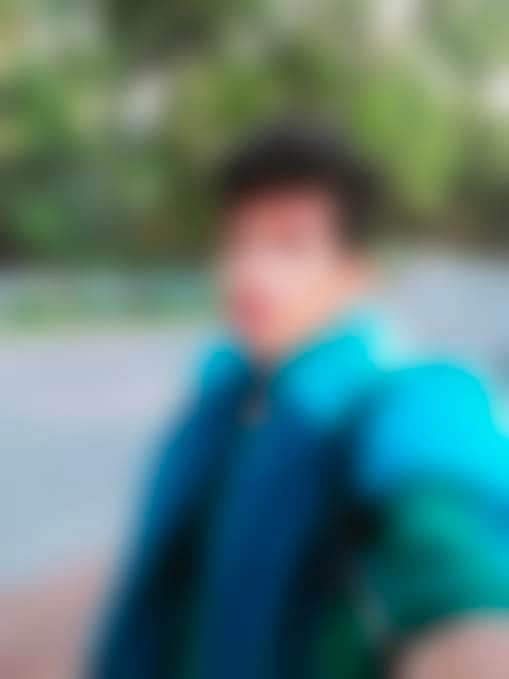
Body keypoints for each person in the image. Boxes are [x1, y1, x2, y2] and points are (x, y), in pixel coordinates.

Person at [91, 119, 509, 679]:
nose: (251, 272)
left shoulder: (395, 400)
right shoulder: (222, 398)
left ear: (354, 273)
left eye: (289, 246)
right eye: (240, 243)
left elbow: (444, 555)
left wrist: (467, 633)